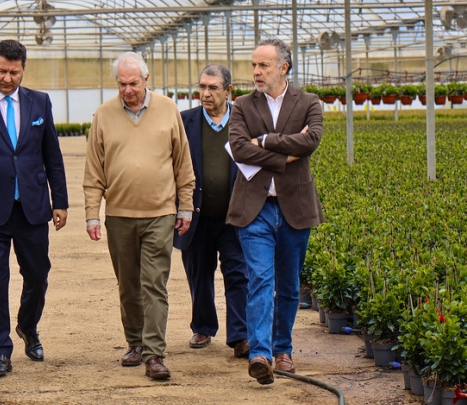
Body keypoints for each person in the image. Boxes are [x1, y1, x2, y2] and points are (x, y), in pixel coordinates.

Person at [0, 39, 69, 378]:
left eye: (14, 72)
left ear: (23, 70)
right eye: (2, 71)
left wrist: (60, 201)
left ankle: (28, 326)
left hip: (31, 207)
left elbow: (52, 155)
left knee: (37, 274)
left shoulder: (40, 102)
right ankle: (0, 350)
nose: (7, 78)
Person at [83, 51, 195, 381]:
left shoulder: (168, 109)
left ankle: (154, 354)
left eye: (133, 83)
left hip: (160, 213)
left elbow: (183, 162)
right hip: (119, 215)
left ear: (146, 79)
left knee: (154, 284)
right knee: (128, 285)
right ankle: (135, 342)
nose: (127, 90)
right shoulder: (104, 115)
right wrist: (92, 214)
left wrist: (186, 206)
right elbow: (94, 170)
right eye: (121, 84)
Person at [227, 38, 324, 385]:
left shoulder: (309, 102)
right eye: (254, 65)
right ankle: (261, 354)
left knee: (289, 285)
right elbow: (239, 148)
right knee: (259, 279)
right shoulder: (241, 105)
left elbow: (311, 141)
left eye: (263, 65)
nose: (256, 71)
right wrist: (286, 155)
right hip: (254, 210)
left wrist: (266, 141)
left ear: (283, 68)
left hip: (294, 208)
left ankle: (283, 349)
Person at [176, 64, 249, 357]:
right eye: (202, 87)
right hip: (197, 214)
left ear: (228, 91)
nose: (206, 93)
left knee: (238, 273)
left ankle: (240, 335)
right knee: (199, 272)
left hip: (235, 214)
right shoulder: (185, 122)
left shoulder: (243, 121)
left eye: (213, 88)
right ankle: (203, 327)